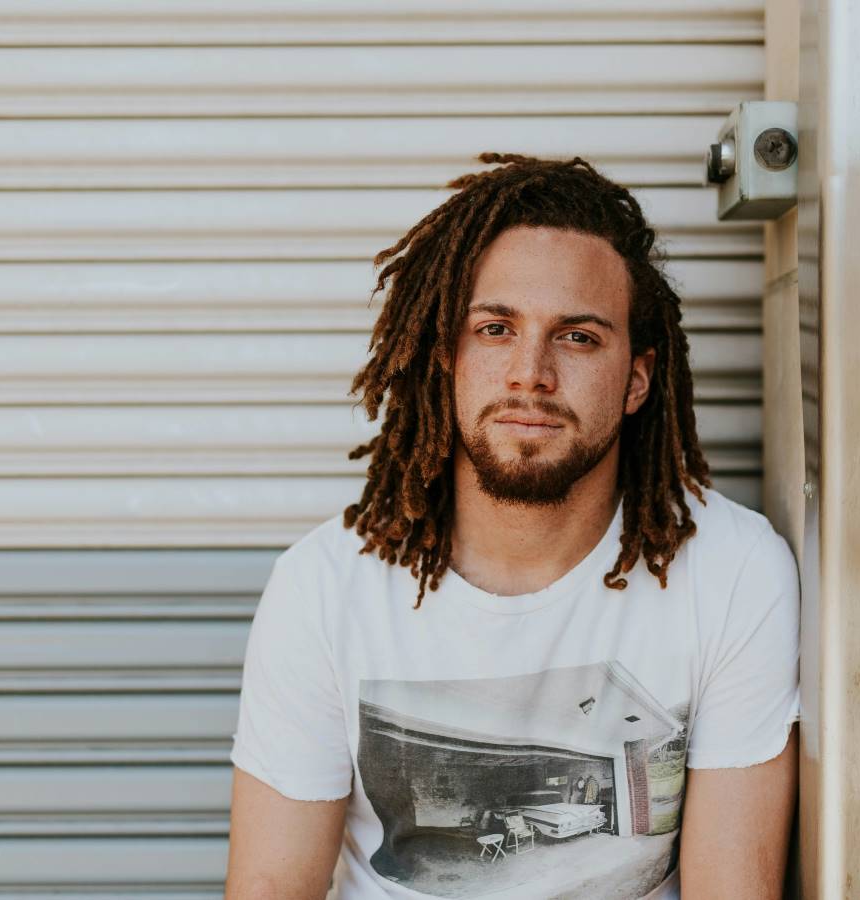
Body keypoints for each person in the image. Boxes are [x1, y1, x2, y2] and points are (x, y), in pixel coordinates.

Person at [224, 152, 800, 900]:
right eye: (496, 328)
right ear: (447, 359)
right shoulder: (325, 587)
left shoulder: (733, 571)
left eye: (578, 336)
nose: (531, 372)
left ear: (637, 379)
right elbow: (272, 887)